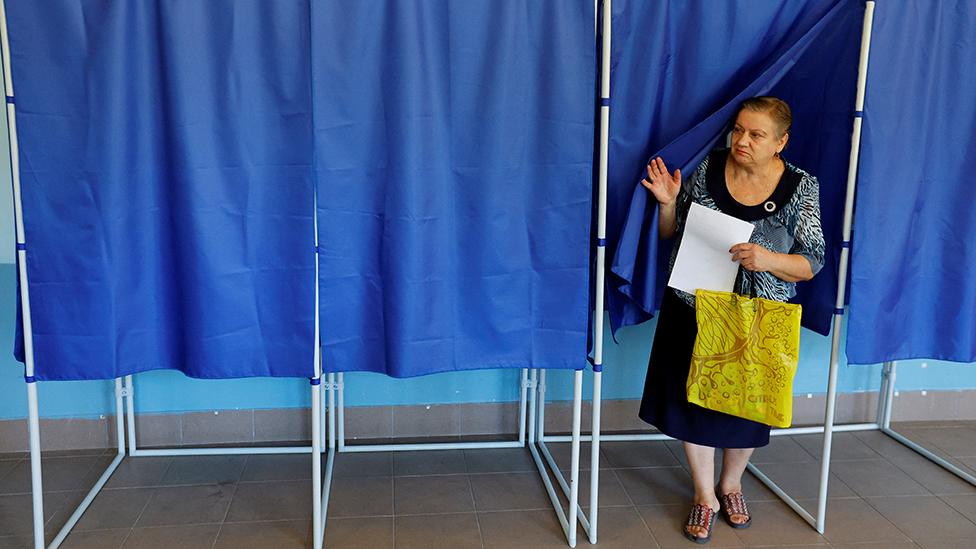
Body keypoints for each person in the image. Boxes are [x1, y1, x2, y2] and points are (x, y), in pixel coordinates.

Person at [638, 96, 825, 544]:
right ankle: (705, 495)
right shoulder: (710, 167)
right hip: (697, 306)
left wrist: (769, 258)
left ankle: (732, 484)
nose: (741, 140)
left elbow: (814, 259)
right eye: (738, 129)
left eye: (756, 134)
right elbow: (674, 234)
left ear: (781, 141)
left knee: (748, 406)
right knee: (691, 404)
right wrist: (667, 203)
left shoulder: (801, 187)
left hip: (758, 317)